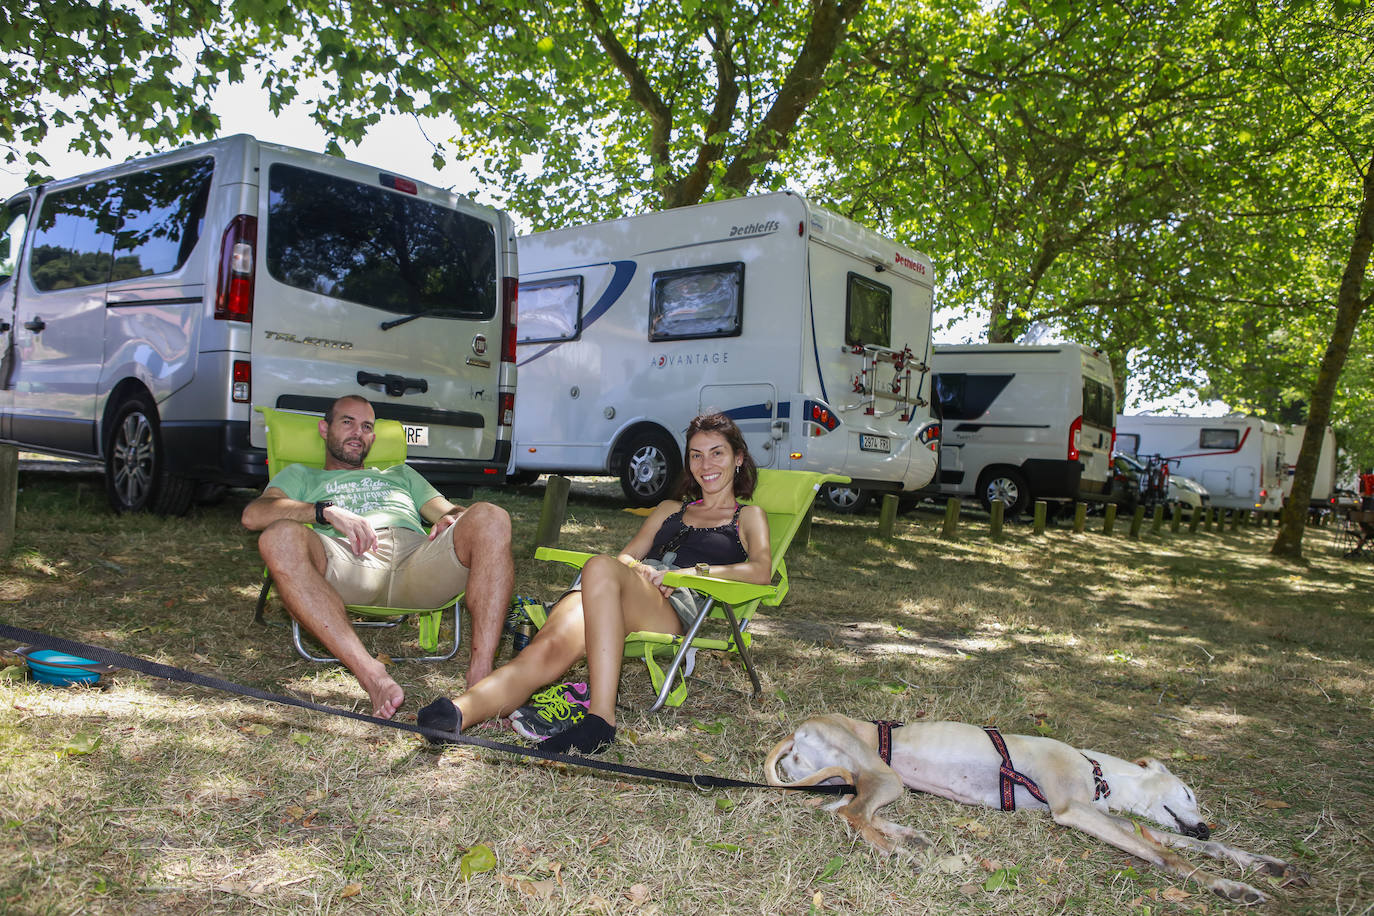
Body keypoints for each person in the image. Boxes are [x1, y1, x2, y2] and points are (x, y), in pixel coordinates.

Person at [418, 413, 772, 754]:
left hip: (672, 607)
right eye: (696, 455)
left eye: (717, 453)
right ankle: (459, 713)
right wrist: (640, 571)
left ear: (738, 458)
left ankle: (601, 719)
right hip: (625, 588)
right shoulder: (668, 509)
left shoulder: (747, 516)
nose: (706, 464)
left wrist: (693, 573)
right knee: (548, 648)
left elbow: (760, 570)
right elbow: (627, 558)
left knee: (598, 567)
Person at [242, 395, 514, 719]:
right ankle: (373, 676)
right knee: (279, 537)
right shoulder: (301, 476)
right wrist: (325, 511)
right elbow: (254, 515)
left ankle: (480, 680)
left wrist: (454, 518)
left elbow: (450, 510)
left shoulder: (401, 473)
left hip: (419, 562)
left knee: (492, 517)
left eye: (367, 426)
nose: (358, 432)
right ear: (324, 428)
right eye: (347, 422)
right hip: (348, 562)